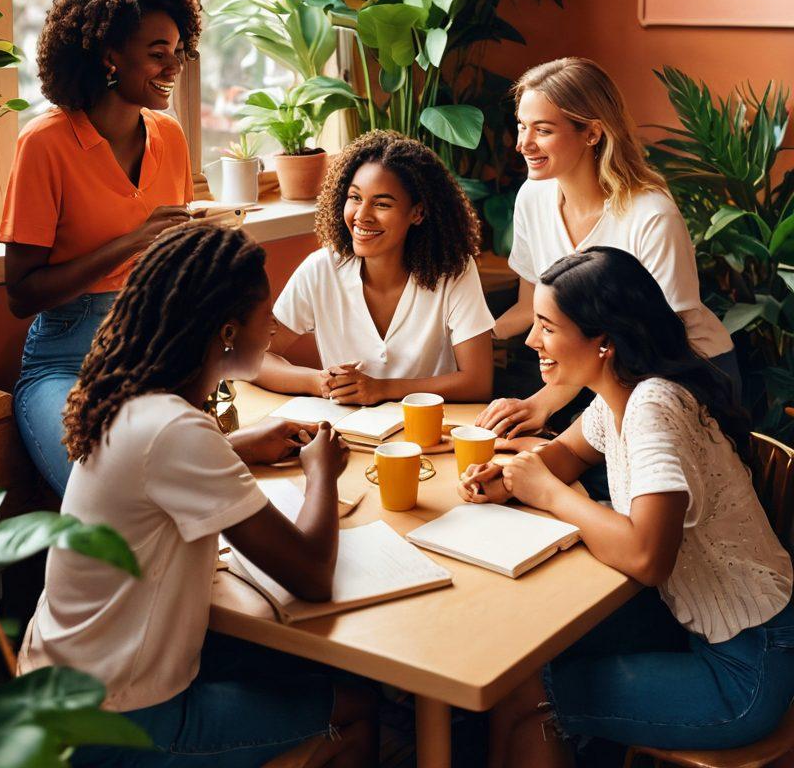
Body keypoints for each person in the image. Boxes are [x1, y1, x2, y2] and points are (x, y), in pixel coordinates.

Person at [18, 222, 378, 768]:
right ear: (228, 332)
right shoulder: (177, 430)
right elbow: (310, 574)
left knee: (285, 666)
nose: (272, 329)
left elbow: (150, 475)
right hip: (122, 721)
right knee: (358, 706)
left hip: (60, 689)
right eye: (264, 315)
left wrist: (235, 446)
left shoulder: (128, 396)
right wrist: (321, 472)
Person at [460, 247, 794, 768]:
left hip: (745, 668)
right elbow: (570, 452)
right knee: (516, 676)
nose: (531, 341)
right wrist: (508, 480)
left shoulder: (653, 408)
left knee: (533, 702)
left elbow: (647, 557)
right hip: (690, 626)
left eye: (547, 327)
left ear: (605, 341)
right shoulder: (619, 393)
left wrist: (548, 493)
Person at [0, 0, 200, 495]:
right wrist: (132, 241)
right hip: (65, 365)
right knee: (106, 494)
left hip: (153, 354)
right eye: (158, 53)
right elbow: (21, 294)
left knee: (201, 478)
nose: (174, 66)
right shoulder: (45, 143)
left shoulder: (170, 136)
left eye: (178, 51)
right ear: (111, 57)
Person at [477, 57, 737, 440]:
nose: (522, 144)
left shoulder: (651, 215)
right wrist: (469, 341)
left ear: (592, 133)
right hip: (591, 373)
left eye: (542, 130)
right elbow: (529, 306)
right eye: (521, 126)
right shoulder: (533, 195)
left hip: (676, 376)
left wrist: (544, 402)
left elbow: (656, 344)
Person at [258, 130, 495, 405]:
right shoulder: (321, 270)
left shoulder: (453, 271)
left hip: (430, 427)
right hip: (344, 426)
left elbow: (477, 382)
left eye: (382, 204)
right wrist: (319, 381)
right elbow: (256, 357)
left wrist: (382, 389)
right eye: (355, 197)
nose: (362, 216)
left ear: (417, 213)